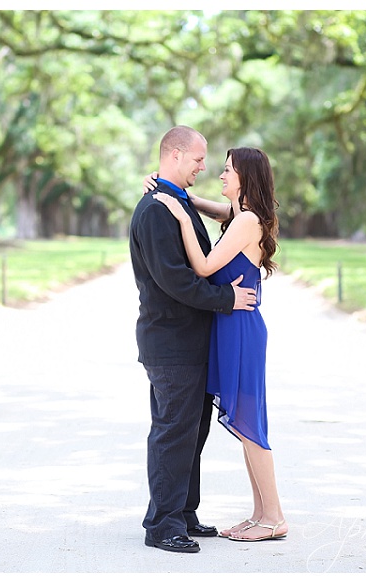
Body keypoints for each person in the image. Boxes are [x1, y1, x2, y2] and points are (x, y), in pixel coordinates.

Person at [129, 126, 258, 554]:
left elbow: (227, 215)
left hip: (192, 342)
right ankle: (161, 524)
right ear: (176, 155)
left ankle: (183, 512)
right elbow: (176, 282)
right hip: (171, 343)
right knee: (173, 432)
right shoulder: (154, 211)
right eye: (199, 159)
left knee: (193, 432)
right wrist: (227, 299)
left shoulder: (178, 202)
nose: (205, 168)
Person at [149, 146, 288, 542]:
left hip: (241, 329)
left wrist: (178, 214)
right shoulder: (241, 217)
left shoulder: (245, 222)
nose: (219, 174)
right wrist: (174, 191)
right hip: (233, 328)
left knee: (251, 425)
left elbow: (205, 267)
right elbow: (212, 207)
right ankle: (261, 513)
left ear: (246, 177)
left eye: (227, 170)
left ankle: (274, 516)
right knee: (245, 424)